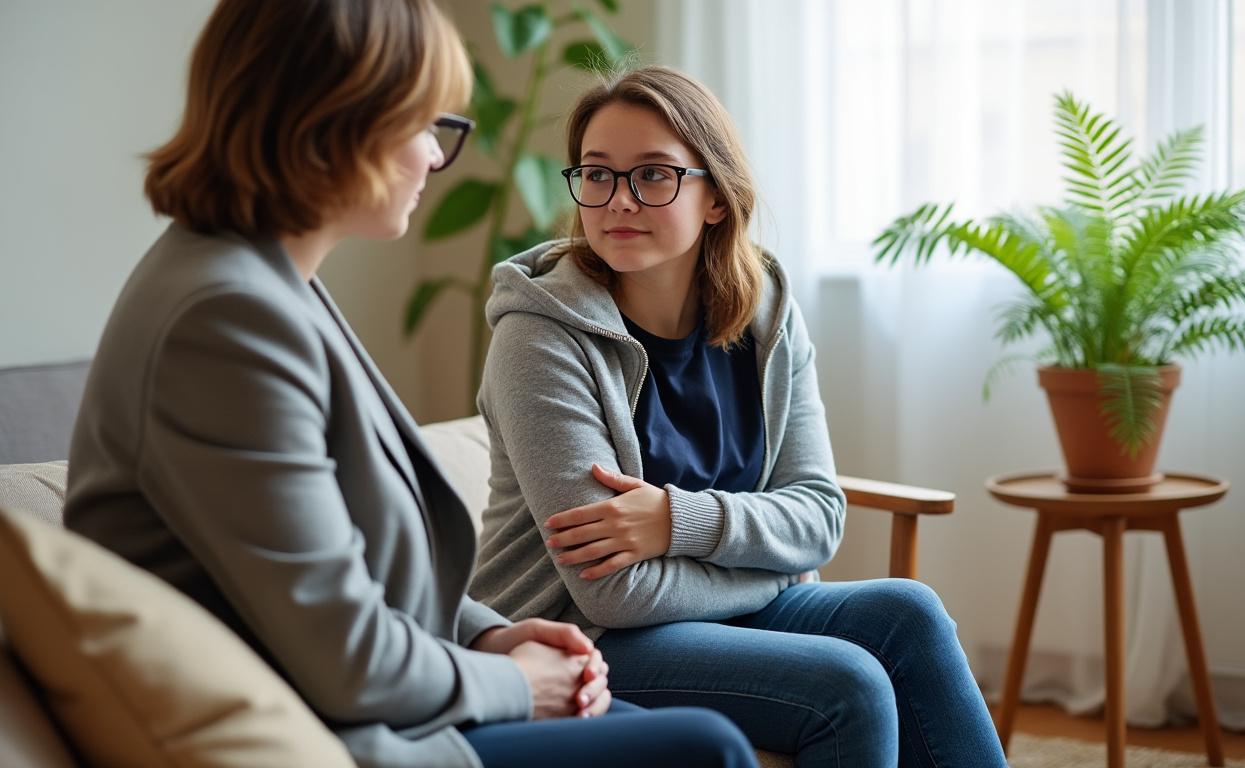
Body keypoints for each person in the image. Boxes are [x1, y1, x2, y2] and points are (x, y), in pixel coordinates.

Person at [62, 4, 756, 767]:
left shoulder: (263, 285)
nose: (433, 156)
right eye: (424, 125)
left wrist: (488, 632)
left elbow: (342, 574)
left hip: (381, 705)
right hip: (334, 736)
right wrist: (514, 681)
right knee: (709, 746)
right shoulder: (225, 321)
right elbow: (347, 657)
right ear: (340, 122)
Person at [470, 65, 1010, 767]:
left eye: (654, 175)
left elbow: (818, 513)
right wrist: (777, 565)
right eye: (597, 175)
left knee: (910, 611)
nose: (618, 201)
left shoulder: (767, 312)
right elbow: (614, 593)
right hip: (579, 635)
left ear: (717, 198)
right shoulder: (540, 336)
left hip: (713, 606)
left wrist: (678, 521)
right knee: (847, 683)